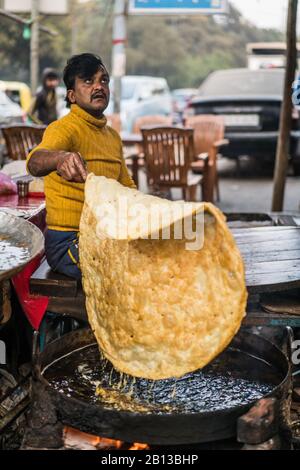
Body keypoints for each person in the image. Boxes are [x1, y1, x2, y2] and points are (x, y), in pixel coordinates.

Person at [27, 53, 135, 280]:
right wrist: (59, 159)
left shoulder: (112, 137)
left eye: (103, 80)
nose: (99, 86)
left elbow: (127, 188)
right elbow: (35, 162)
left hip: (104, 235)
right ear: (72, 95)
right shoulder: (64, 129)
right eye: (88, 81)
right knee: (131, 271)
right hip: (68, 242)